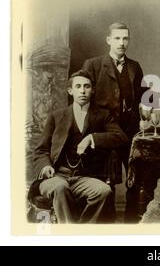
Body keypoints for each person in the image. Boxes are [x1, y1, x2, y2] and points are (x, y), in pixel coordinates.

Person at [82, 22, 160, 222]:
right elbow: (81, 95)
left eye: (125, 38)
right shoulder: (92, 65)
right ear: (108, 40)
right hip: (104, 133)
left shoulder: (134, 66)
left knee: (137, 179)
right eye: (117, 38)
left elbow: (143, 96)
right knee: (105, 181)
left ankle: (132, 223)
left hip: (130, 132)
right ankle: (108, 228)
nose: (122, 43)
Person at [32, 70, 128, 223]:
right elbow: (40, 150)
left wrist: (92, 138)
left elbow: (121, 137)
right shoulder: (56, 116)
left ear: (93, 90)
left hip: (84, 177)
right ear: (70, 91)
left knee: (103, 191)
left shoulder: (103, 115)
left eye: (87, 86)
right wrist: (45, 166)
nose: (82, 90)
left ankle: (83, 231)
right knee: (60, 188)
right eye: (78, 86)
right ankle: (70, 233)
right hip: (56, 176)